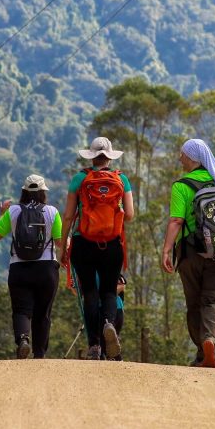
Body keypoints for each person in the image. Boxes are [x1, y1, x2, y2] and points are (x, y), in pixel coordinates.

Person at [160, 139, 215, 368]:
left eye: (183, 155)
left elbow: (176, 221)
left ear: (193, 159)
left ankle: (202, 352)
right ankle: (210, 341)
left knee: (194, 302)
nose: (180, 158)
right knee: (214, 299)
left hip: (190, 252)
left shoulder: (181, 186)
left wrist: (167, 250)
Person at [61, 137, 134, 360]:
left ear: (92, 156)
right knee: (110, 291)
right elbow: (129, 215)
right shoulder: (122, 179)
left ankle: (94, 345)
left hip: (84, 243)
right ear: (110, 156)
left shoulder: (80, 179)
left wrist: (63, 246)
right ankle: (109, 324)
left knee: (90, 292)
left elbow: (68, 215)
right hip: (112, 245)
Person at [0, 174, 63, 359]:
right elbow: (61, 242)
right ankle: (39, 354)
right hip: (46, 269)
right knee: (43, 312)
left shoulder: (13, 211)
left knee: (21, 310)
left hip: (19, 268)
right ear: (43, 192)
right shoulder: (52, 212)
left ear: (24, 191)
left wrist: (1, 215)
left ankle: (23, 339)